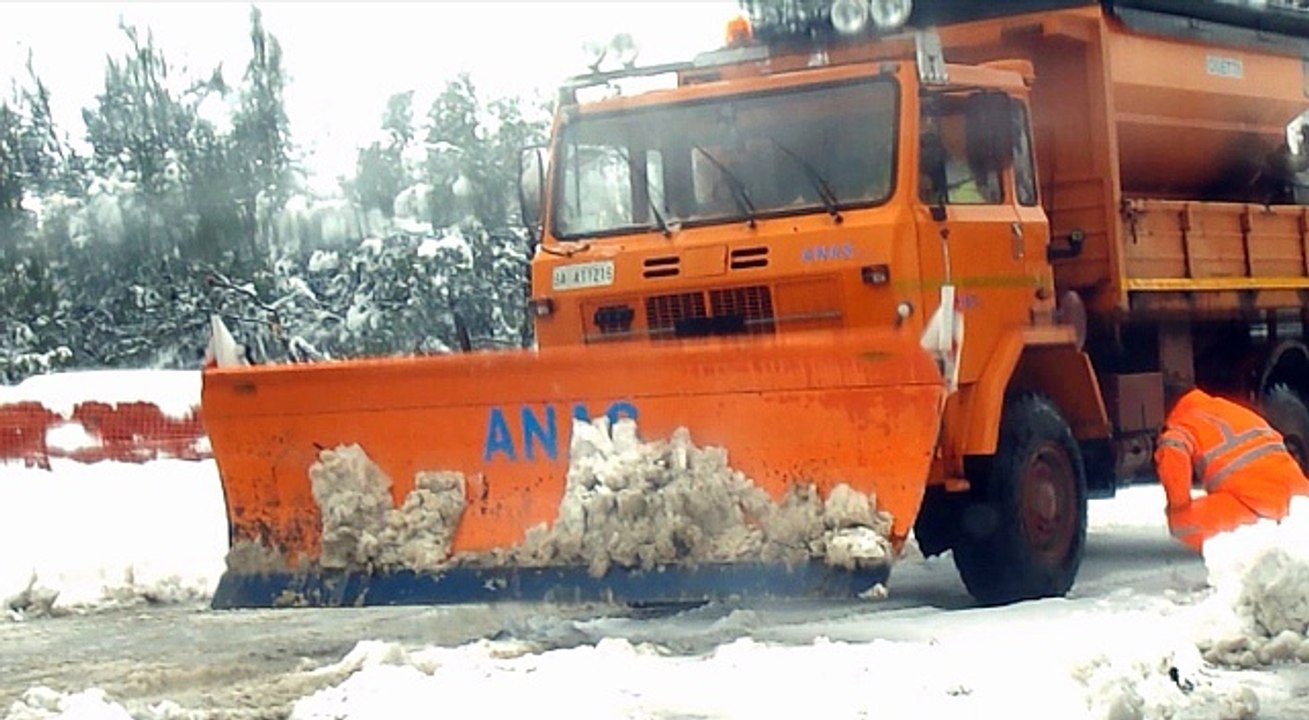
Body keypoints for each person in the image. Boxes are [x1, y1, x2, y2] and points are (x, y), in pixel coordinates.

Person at [1155, 385, 1309, 551]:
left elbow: (1174, 458)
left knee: (1180, 520)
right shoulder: (1229, 408)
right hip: (1298, 495)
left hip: (1260, 504)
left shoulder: (1182, 423)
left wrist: (1177, 505)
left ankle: (1254, 545)